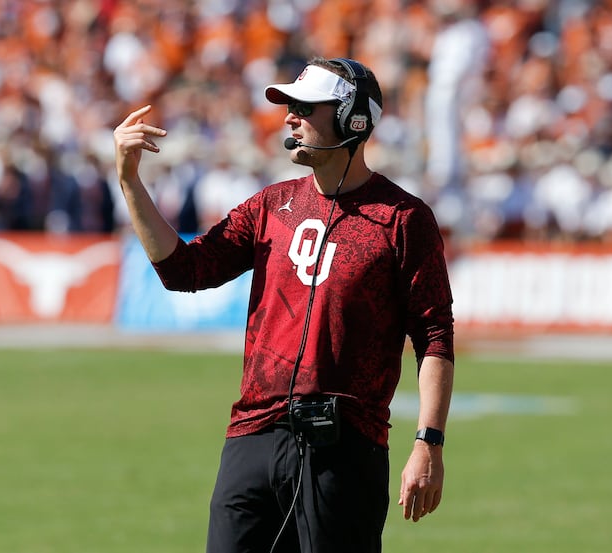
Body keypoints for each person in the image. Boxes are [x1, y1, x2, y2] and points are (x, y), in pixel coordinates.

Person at [113, 57, 455, 553]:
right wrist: (130, 181)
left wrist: (429, 442)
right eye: (289, 107)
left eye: (305, 108)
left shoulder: (404, 219)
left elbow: (434, 338)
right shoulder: (270, 205)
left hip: (345, 448)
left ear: (353, 120)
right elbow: (185, 271)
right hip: (251, 438)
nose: (289, 117)